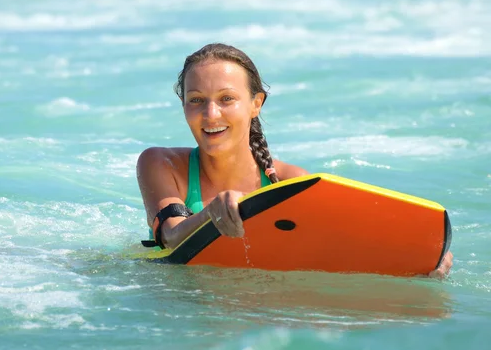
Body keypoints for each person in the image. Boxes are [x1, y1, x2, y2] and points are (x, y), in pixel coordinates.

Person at [136, 42, 453, 279]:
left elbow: (334, 254)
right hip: (181, 306)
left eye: (226, 99)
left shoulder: (291, 184)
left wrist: (418, 265)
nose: (210, 114)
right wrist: (210, 213)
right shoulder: (161, 164)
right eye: (196, 101)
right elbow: (172, 237)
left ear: (256, 103)